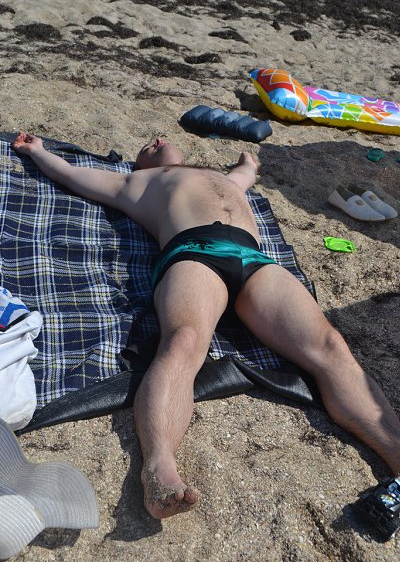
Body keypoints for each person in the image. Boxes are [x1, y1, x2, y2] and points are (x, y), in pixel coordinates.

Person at [12, 132, 400, 520]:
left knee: (331, 347)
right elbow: (71, 175)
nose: (157, 139)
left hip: (256, 261)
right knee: (183, 342)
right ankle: (159, 468)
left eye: (159, 139)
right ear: (140, 163)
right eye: (147, 146)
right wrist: (38, 152)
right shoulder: (138, 183)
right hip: (195, 253)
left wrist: (247, 165)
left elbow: (245, 174)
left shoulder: (224, 178)